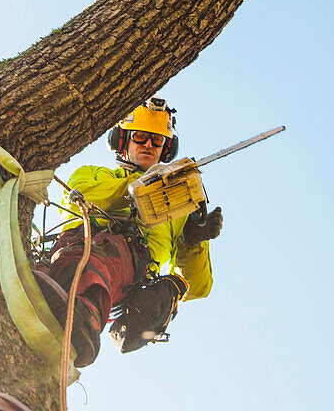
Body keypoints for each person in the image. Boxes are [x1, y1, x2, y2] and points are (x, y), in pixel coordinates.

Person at [37, 97, 223, 367]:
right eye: (140, 137)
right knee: (74, 255)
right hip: (75, 244)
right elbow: (81, 197)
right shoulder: (93, 174)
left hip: (126, 267)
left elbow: (198, 287)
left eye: (156, 141)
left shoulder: (177, 208)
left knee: (108, 254)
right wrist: (140, 188)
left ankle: (83, 317)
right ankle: (38, 289)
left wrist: (194, 241)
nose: (148, 145)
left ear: (165, 149)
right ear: (123, 141)